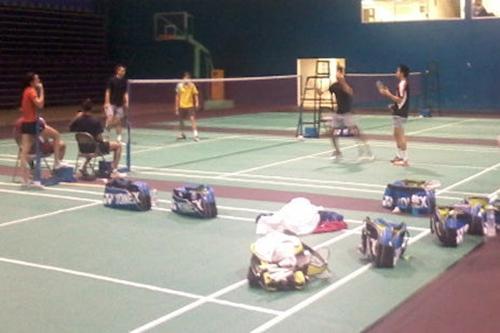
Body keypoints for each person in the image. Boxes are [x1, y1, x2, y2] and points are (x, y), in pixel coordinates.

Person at [19, 72, 66, 187]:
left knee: (24, 152)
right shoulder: (31, 90)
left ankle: (24, 180)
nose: (39, 81)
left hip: (25, 124)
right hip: (33, 124)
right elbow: (40, 104)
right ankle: (56, 163)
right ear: (31, 82)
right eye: (37, 79)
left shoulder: (25, 91)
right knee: (56, 135)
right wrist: (42, 90)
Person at [325, 66, 373, 161]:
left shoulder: (347, 84)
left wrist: (342, 81)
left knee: (356, 133)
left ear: (343, 74)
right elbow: (325, 91)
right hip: (338, 113)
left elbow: (350, 92)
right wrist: (318, 91)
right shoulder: (334, 85)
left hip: (347, 113)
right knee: (332, 133)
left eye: (339, 72)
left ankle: (367, 150)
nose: (337, 74)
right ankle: (337, 152)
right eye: (336, 72)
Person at [70, 99, 124, 177]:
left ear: (82, 108)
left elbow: (71, 127)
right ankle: (114, 171)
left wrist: (76, 117)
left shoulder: (78, 120)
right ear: (91, 108)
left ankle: (83, 167)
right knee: (118, 146)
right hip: (94, 148)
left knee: (91, 144)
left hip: (82, 148)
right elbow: (99, 138)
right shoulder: (95, 121)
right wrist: (104, 140)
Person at [378, 64, 410, 167]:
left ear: (402, 73)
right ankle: (399, 156)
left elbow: (400, 99)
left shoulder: (402, 84)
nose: (396, 72)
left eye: (397, 71)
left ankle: (405, 159)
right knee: (396, 135)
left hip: (401, 113)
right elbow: (400, 101)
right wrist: (394, 106)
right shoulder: (401, 83)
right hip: (398, 112)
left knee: (400, 135)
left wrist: (388, 94)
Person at [104, 65, 128, 142]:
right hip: (111, 103)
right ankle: (106, 136)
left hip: (119, 104)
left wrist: (126, 102)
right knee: (109, 119)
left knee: (118, 121)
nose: (123, 72)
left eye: (124, 71)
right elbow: (108, 91)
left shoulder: (124, 81)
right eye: (121, 70)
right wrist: (106, 102)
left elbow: (125, 93)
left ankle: (119, 138)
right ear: (117, 71)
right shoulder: (112, 80)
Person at [175, 72, 200, 141]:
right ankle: (182, 134)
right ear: (183, 78)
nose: (187, 80)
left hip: (190, 106)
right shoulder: (179, 85)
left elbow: (195, 94)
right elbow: (177, 97)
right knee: (181, 121)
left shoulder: (192, 85)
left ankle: (196, 135)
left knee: (192, 119)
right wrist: (176, 107)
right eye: (186, 78)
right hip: (181, 106)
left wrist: (197, 102)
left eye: (188, 78)